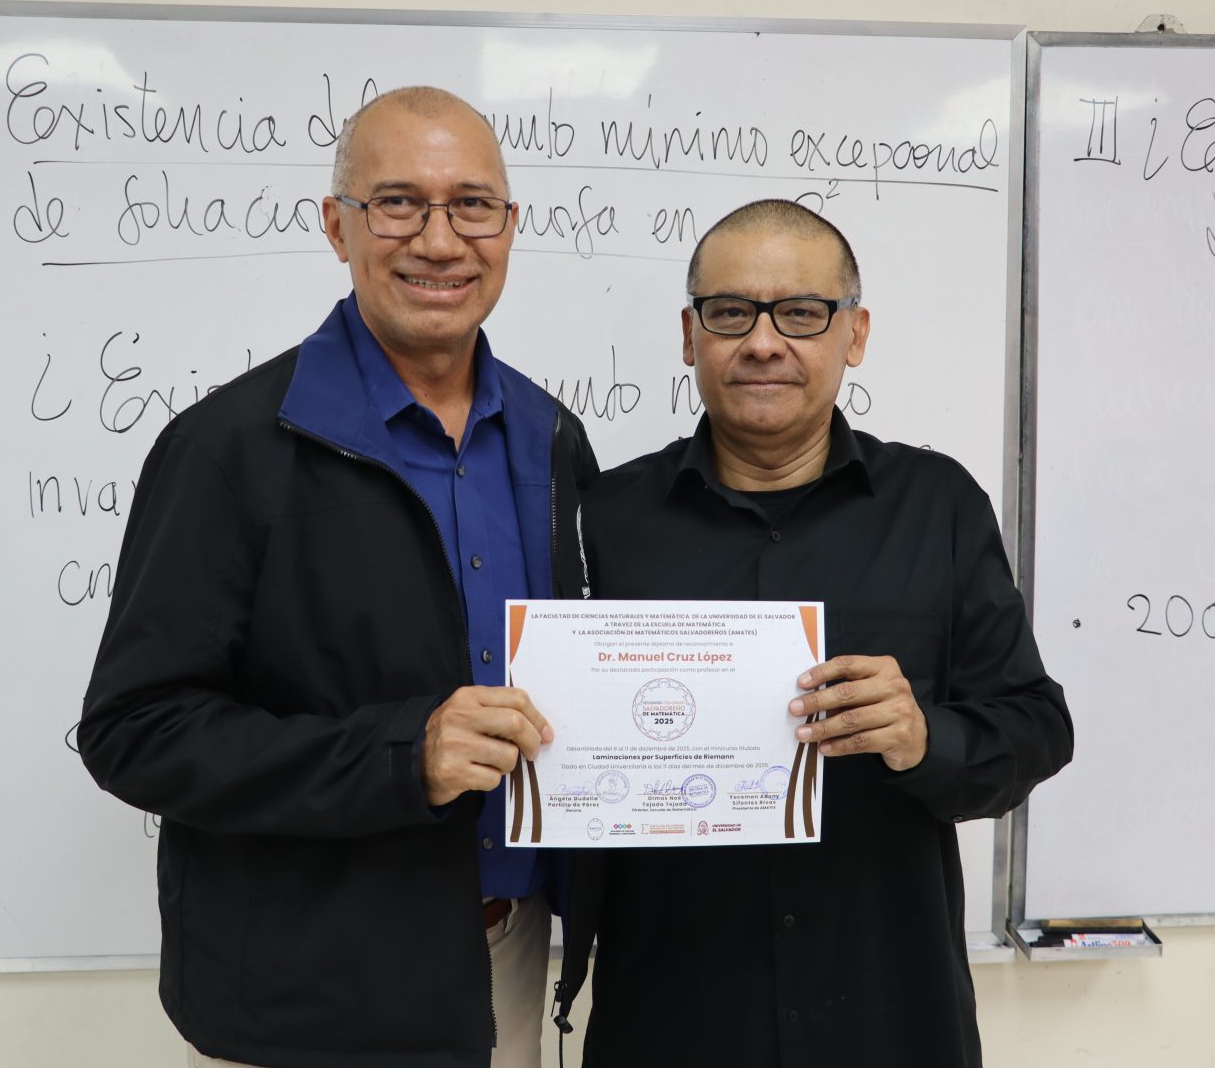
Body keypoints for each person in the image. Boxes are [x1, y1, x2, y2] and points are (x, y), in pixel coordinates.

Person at [78, 86, 596, 1068]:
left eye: (472, 205)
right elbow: (135, 731)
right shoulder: (228, 449)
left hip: (507, 960)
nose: (440, 240)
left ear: (510, 226)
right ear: (336, 225)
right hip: (306, 989)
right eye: (397, 203)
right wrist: (403, 755)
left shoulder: (552, 437)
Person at [554, 200, 1072, 1067]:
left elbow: (1038, 727)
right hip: (673, 1018)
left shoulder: (938, 506)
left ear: (854, 334)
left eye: (801, 313)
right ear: (689, 336)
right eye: (731, 313)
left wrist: (923, 738)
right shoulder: (603, 519)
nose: (764, 343)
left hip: (890, 1016)